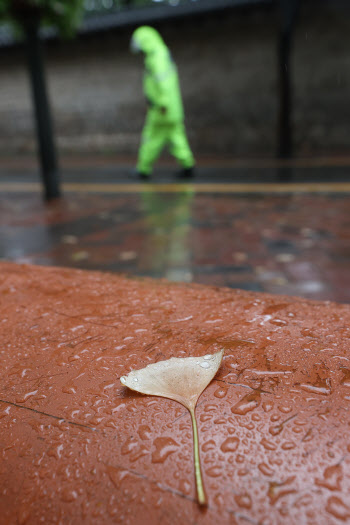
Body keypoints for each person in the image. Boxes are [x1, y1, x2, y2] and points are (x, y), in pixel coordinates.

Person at [130, 26, 195, 180]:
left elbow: (164, 81)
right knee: (176, 136)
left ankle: (143, 170)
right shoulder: (162, 53)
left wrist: (163, 103)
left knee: (151, 137)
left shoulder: (156, 56)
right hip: (171, 108)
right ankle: (188, 166)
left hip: (161, 108)